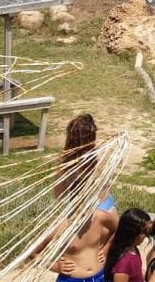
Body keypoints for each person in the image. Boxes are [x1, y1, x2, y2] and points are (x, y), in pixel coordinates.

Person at [48, 114, 120, 282]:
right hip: (89, 208)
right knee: (91, 248)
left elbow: (59, 195)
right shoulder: (94, 155)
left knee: (98, 249)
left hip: (98, 207)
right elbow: (60, 195)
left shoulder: (71, 161)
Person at [106, 208, 151, 282]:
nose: (146, 236)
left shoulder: (133, 249)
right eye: (143, 232)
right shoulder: (123, 264)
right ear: (132, 232)